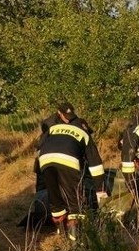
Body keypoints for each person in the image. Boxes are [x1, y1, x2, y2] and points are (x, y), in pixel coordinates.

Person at [36, 102, 107, 243]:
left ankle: (62, 237)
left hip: (44, 160)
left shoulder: (53, 127)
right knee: (75, 206)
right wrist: (100, 189)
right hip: (68, 160)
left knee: (57, 205)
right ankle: (75, 245)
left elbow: (40, 145)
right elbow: (95, 164)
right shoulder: (84, 134)